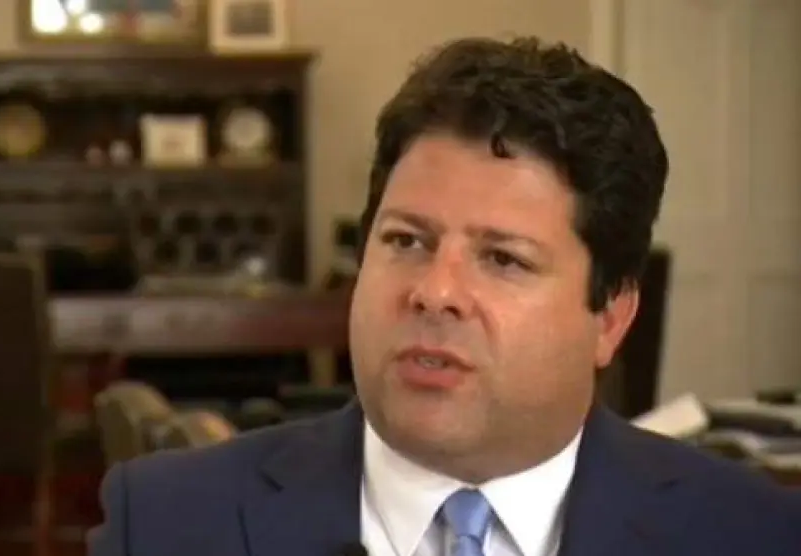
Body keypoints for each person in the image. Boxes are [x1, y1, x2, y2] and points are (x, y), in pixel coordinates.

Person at [86, 36, 801, 556]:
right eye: (406, 241)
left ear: (610, 317)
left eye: (503, 259)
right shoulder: (166, 523)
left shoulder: (752, 535)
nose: (435, 292)